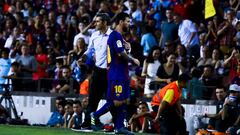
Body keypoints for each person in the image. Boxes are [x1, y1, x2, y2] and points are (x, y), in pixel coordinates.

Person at [90, 12, 140, 134]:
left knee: (122, 100)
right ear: (121, 22)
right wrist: (133, 59)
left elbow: (122, 50)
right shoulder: (116, 35)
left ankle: (119, 127)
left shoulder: (118, 37)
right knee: (118, 101)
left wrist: (127, 48)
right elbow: (120, 53)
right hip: (117, 73)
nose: (129, 24)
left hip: (118, 72)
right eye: (127, 21)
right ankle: (95, 115)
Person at [80, 13, 112, 128]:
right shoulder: (94, 35)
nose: (95, 24)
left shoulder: (113, 36)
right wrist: (83, 57)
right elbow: (90, 50)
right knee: (93, 100)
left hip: (110, 73)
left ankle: (118, 124)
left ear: (104, 22)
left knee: (112, 100)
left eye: (98, 21)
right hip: (97, 72)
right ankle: (87, 123)